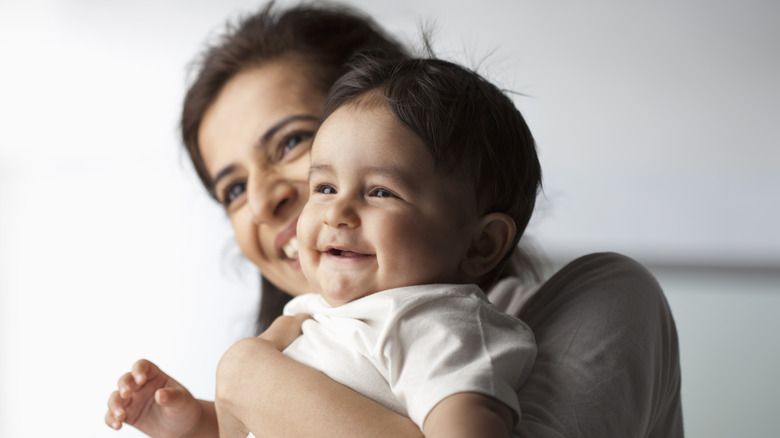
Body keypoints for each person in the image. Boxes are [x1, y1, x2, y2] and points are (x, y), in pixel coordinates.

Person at [105, 2, 684, 437]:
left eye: (291, 143)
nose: (262, 202)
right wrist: (199, 417)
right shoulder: (304, 330)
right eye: (232, 187)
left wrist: (250, 376)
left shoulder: (448, 329)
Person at [222, 56, 541, 437]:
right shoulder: (322, 313)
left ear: (481, 244)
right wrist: (196, 421)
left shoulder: (438, 326)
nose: (336, 212)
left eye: (380, 192)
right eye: (324, 188)